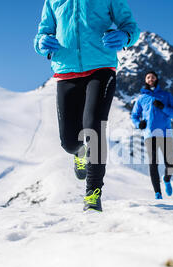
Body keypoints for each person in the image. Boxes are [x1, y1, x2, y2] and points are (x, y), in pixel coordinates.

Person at [34, 0, 139, 213]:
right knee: (69, 142)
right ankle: (79, 151)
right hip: (66, 71)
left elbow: (130, 26)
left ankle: (93, 193)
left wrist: (125, 36)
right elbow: (42, 33)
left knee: (94, 127)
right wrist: (42, 43)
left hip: (100, 67)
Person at [131, 71, 173, 199]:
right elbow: (134, 116)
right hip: (149, 134)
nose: (150, 79)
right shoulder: (142, 98)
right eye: (148, 77)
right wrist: (138, 124)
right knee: (153, 163)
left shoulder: (166, 95)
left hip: (165, 133)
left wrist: (164, 107)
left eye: (152, 77)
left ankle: (167, 179)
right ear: (145, 80)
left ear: (156, 79)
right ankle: (157, 193)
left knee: (170, 164)